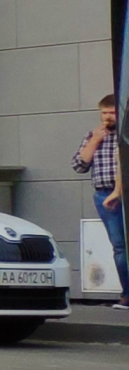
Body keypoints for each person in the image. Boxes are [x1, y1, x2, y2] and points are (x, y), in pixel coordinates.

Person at [71, 94, 125, 301]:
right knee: (118, 245)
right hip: (104, 194)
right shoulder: (92, 136)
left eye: (112, 113)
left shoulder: (123, 135)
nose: (108, 117)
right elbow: (79, 165)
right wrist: (94, 140)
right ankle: (126, 294)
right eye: (104, 113)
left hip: (122, 192)